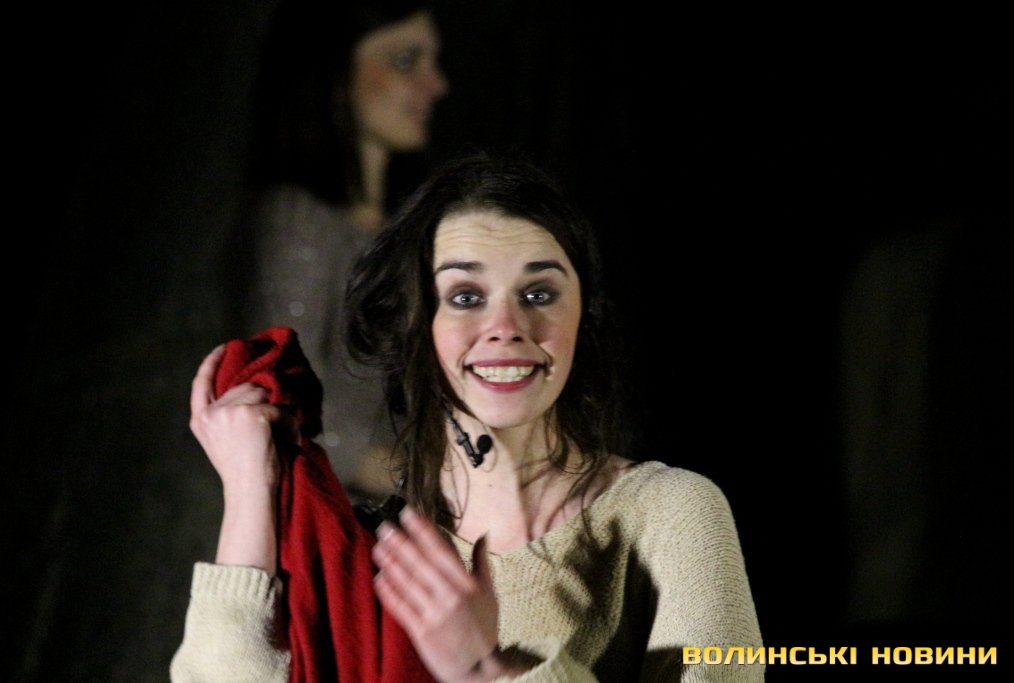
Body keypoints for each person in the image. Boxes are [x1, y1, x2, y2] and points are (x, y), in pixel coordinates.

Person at [172, 151, 764, 681]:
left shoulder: (670, 513)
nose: (506, 327)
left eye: (539, 294)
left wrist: (490, 670)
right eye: (465, 298)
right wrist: (250, 489)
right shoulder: (368, 552)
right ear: (414, 325)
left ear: (584, 315)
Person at [226, 0, 450, 501]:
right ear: (333, 74)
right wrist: (421, 481)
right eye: (405, 61)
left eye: (432, 61)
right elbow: (279, 398)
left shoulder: (409, 228)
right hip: (338, 523)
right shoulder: (298, 221)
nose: (435, 84)